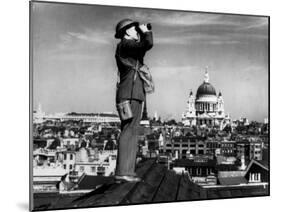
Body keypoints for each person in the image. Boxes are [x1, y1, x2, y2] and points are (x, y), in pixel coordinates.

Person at [114, 18, 153, 182]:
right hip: (129, 94)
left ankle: (127, 172)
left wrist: (143, 34)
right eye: (134, 29)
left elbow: (142, 50)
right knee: (128, 131)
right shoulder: (125, 44)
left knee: (131, 131)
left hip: (133, 93)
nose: (137, 31)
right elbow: (146, 45)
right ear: (127, 31)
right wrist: (146, 32)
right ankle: (123, 172)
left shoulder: (129, 48)